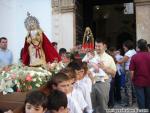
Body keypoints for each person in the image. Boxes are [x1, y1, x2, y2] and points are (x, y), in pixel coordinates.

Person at [91, 39, 116, 113]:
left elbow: (114, 73)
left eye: (99, 46)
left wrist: (104, 68)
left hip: (103, 84)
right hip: (91, 83)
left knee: (103, 106)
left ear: (104, 46)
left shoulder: (109, 58)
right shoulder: (91, 55)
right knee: (91, 106)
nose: (97, 48)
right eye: (96, 46)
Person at [129, 39, 150, 112]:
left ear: (138, 47)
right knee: (148, 99)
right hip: (149, 82)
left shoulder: (134, 57)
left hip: (138, 82)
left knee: (141, 100)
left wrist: (132, 80)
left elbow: (131, 72)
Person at [117, 40, 136, 106]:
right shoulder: (134, 51)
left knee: (128, 86)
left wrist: (115, 57)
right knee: (132, 86)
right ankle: (133, 100)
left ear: (127, 46)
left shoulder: (128, 53)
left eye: (124, 46)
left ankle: (129, 103)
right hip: (133, 70)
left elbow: (121, 61)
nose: (123, 48)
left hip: (128, 71)